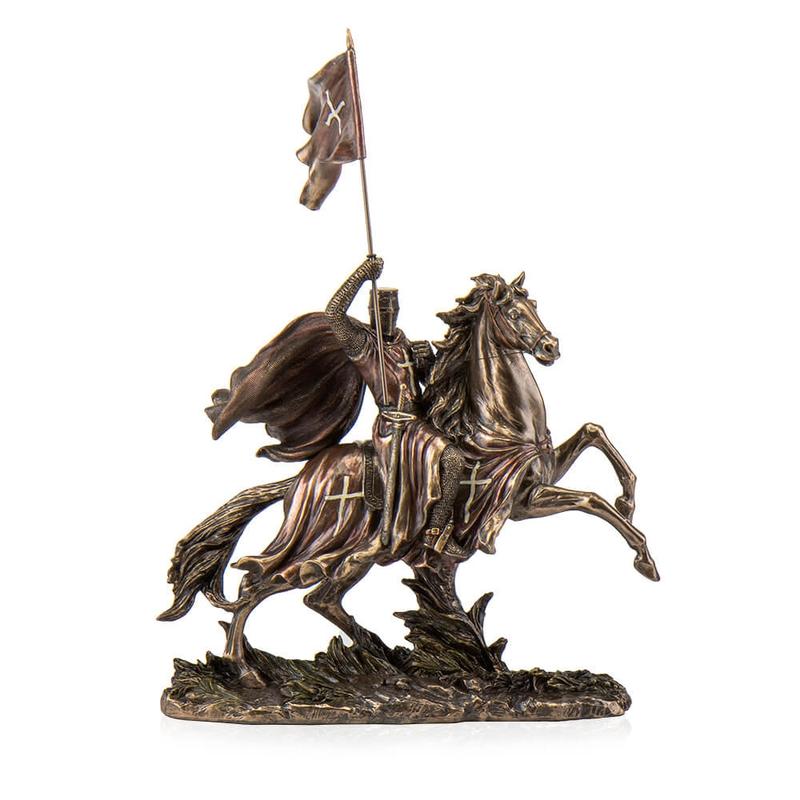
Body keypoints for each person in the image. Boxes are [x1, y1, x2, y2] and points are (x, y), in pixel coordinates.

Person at [325, 255, 465, 554]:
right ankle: (435, 532)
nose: (387, 316)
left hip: (418, 420)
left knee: (460, 449)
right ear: (371, 313)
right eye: (381, 311)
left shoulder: (403, 342)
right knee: (453, 459)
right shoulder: (364, 346)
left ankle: (439, 525)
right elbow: (334, 313)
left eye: (392, 310)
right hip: (394, 426)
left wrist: (427, 363)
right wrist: (362, 274)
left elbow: (423, 383)